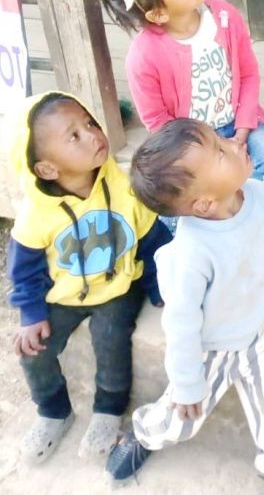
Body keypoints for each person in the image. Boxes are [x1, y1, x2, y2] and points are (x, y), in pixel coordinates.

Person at [105, 119, 264, 495]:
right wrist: (186, 384)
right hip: (211, 346)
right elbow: (181, 324)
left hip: (263, 329)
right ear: (203, 203)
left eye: (219, 140)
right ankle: (145, 432)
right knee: (184, 417)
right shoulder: (191, 252)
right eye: (219, 151)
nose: (232, 143)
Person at [6, 92, 170, 463]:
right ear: (47, 169)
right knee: (34, 351)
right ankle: (53, 411)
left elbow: (153, 240)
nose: (94, 135)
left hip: (117, 286)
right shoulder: (36, 214)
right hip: (63, 293)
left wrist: (162, 287)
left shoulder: (125, 187)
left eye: (90, 123)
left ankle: (109, 410)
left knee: (110, 337)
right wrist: (31, 315)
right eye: (74, 136)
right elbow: (24, 271)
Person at [96, 0, 264, 210]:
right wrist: (206, 153)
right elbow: (157, 121)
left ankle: (244, 213)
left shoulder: (225, 17)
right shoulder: (144, 57)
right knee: (175, 193)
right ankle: (215, 214)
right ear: (158, 14)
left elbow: (248, 74)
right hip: (193, 146)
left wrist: (243, 130)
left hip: (240, 123)